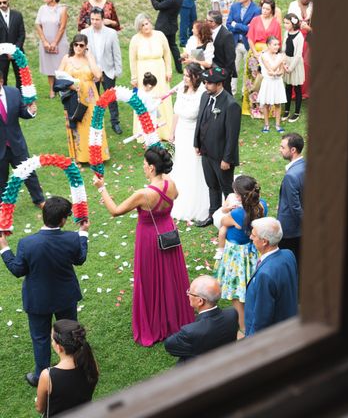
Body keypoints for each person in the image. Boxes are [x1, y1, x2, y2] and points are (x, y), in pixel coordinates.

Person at [93, 147, 193, 346]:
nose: (143, 167)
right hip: (168, 231)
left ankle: (156, 322)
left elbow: (115, 211)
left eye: (145, 165)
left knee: (151, 278)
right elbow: (175, 197)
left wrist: (101, 187)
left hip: (149, 237)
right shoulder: (171, 184)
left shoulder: (143, 194)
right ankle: (174, 316)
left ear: (152, 167)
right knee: (170, 276)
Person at [0, 197, 89, 386]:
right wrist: (83, 234)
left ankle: (41, 376)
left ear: (43, 216)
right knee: (71, 333)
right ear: (63, 220)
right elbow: (80, 259)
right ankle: (75, 366)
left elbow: (18, 270)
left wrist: (5, 249)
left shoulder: (27, 243)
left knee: (40, 337)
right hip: (66, 297)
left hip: (38, 300)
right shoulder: (72, 238)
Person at [215, 175, 267, 336]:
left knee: (237, 293)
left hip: (236, 254)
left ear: (238, 195)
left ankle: (243, 328)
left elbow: (221, 221)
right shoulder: (262, 206)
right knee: (250, 287)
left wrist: (227, 211)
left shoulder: (237, 213)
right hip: (252, 250)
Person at [193, 67, 241, 227]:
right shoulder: (204, 97)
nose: (205, 85)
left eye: (209, 83)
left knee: (227, 189)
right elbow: (200, 121)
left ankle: (232, 220)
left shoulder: (231, 104)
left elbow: (232, 136)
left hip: (221, 156)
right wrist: (197, 143)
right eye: (205, 82)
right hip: (206, 152)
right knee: (211, 184)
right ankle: (213, 215)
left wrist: (227, 159)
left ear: (220, 83)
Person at [59, 34, 110, 163]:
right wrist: (69, 85)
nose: (78, 47)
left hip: (91, 95)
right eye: (75, 44)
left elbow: (98, 75)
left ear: (85, 47)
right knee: (78, 123)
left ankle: (97, 154)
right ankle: (80, 156)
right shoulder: (67, 58)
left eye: (81, 45)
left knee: (94, 122)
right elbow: (58, 77)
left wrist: (89, 57)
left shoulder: (89, 58)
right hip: (73, 96)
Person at [164, 276, 238, 363]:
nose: (188, 294)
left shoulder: (190, 331)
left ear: (200, 301)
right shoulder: (232, 314)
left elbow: (169, 345)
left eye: (190, 293)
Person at [169, 63, 209, 223]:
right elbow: (176, 112)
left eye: (187, 76)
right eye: (184, 75)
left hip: (194, 134)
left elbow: (203, 119)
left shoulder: (202, 93)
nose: (184, 78)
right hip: (181, 133)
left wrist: (199, 141)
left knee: (193, 166)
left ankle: (194, 200)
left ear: (196, 77)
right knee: (181, 164)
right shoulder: (181, 89)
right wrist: (172, 133)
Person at [245, 217, 298, 336]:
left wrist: (251, 342)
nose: (250, 237)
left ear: (264, 241)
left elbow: (262, 317)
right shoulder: (288, 255)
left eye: (254, 235)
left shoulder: (265, 275)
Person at [35, 320, 98, 416]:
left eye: (52, 339)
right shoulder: (91, 362)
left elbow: (40, 408)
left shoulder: (48, 375)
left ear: (59, 347)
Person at [0, 74, 45, 207]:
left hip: (16, 142)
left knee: (28, 172)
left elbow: (22, 112)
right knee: (1, 178)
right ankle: (3, 204)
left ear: (1, 81)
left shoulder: (13, 92)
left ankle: (39, 200)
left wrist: (30, 111)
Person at [129, 12, 173, 141]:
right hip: (143, 71)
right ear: (139, 27)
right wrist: (134, 77)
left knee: (161, 98)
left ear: (150, 22)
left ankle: (164, 130)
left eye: (146, 23)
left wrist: (168, 70)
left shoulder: (160, 35)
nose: (145, 27)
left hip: (159, 70)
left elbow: (167, 53)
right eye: (142, 25)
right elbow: (132, 59)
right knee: (145, 99)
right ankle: (145, 130)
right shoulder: (135, 39)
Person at [81, 7, 123, 134]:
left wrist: (117, 72)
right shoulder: (85, 32)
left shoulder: (111, 33)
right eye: (92, 19)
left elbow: (117, 53)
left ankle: (115, 122)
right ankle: (94, 123)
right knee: (92, 98)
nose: (94, 22)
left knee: (111, 98)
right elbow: (82, 54)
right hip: (91, 71)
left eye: (97, 19)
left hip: (108, 70)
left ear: (103, 19)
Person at [244, 0, 281, 117]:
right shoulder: (255, 20)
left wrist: (267, 51)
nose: (264, 11)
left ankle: (267, 109)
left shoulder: (275, 23)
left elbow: (277, 41)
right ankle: (252, 107)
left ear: (272, 10)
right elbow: (250, 37)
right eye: (263, 8)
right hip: (255, 53)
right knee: (253, 80)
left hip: (269, 54)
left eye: (267, 9)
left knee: (267, 80)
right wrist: (255, 52)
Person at [35, 0, 68, 99]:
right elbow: (37, 25)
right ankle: (52, 89)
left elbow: (62, 27)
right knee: (49, 67)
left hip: (59, 42)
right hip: (45, 42)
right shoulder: (42, 8)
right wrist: (44, 41)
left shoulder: (62, 9)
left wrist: (54, 43)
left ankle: (63, 89)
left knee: (61, 66)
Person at [227, 0, 261, 95]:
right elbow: (228, 24)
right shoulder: (234, 7)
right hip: (235, 43)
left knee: (248, 71)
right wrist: (244, 27)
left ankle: (244, 93)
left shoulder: (256, 10)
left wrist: (236, 25)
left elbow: (252, 29)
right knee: (233, 70)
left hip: (248, 45)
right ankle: (231, 92)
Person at [277, 133, 306, 264]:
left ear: (293, 150)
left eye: (283, 147)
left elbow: (295, 207)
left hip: (290, 230)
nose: (280, 150)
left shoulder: (291, 176)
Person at [287, 0, 313, 100]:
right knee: (294, 61)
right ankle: (292, 92)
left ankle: (303, 92)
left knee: (305, 64)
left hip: (308, 36)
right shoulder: (293, 5)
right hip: (296, 35)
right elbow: (288, 21)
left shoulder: (312, 6)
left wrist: (308, 26)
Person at [258, 36, 287, 132]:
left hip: (277, 82)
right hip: (268, 82)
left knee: (277, 104)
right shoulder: (263, 55)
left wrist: (278, 72)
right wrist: (280, 61)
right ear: (268, 45)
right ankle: (266, 125)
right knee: (266, 104)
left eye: (278, 44)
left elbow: (282, 71)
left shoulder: (279, 56)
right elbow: (271, 68)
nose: (277, 46)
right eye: (274, 44)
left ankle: (278, 125)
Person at [0, 0, 26, 89]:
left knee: (21, 78)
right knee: (2, 78)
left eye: (4, 2)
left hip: (17, 52)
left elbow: (22, 34)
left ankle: (21, 99)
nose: (2, 5)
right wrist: (5, 51)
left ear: (8, 1)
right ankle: (4, 100)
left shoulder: (17, 15)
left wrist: (14, 50)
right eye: (0, 3)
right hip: (1, 54)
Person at [282, 13, 305, 122]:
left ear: (293, 23)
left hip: (295, 64)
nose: (285, 25)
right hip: (287, 61)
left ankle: (296, 112)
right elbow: (284, 49)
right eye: (284, 23)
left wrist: (290, 68)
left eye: (287, 23)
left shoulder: (299, 36)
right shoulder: (286, 33)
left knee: (297, 87)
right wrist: (284, 63)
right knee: (288, 86)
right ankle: (286, 110)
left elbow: (298, 55)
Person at [207, 10, 236, 94]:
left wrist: (225, 73)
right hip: (209, 68)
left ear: (213, 22)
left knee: (225, 94)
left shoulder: (226, 35)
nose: (205, 22)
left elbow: (230, 57)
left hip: (222, 71)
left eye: (207, 20)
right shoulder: (207, 31)